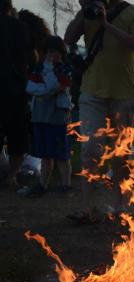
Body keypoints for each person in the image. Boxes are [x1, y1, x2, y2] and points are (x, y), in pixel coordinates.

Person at [64, 0, 134, 223]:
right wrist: (85, 11)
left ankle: (122, 207)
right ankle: (88, 208)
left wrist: (106, 23)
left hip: (126, 92)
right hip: (92, 91)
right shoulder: (88, 12)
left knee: (121, 153)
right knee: (91, 149)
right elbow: (68, 38)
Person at [25, 35, 73, 196]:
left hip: (57, 116)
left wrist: (48, 79)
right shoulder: (38, 68)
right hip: (40, 115)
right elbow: (30, 87)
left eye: (56, 51)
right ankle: (42, 185)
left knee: (61, 154)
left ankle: (65, 185)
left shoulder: (64, 69)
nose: (52, 55)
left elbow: (58, 86)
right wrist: (46, 90)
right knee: (45, 154)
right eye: (49, 52)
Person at [0, 0, 32, 190]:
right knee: (17, 134)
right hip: (16, 86)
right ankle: (12, 176)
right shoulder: (20, 27)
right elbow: (29, 57)